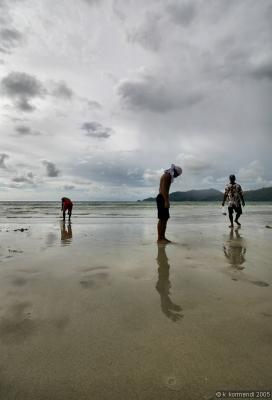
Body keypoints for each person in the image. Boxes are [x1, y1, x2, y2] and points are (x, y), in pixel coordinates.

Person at [156, 164, 182, 243]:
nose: (176, 177)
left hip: (162, 197)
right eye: (177, 175)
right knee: (162, 219)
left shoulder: (166, 175)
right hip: (162, 198)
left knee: (165, 218)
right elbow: (164, 189)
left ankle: (162, 237)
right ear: (175, 172)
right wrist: (166, 201)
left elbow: (161, 189)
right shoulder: (167, 176)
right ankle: (160, 239)